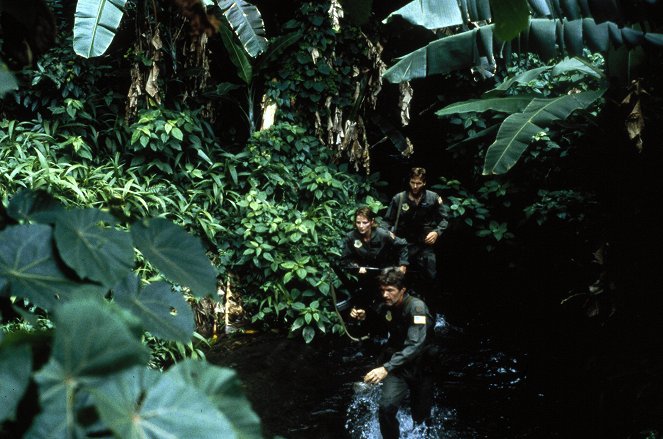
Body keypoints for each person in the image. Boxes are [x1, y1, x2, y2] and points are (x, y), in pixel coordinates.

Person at [350, 268, 434, 439]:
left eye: (390, 290)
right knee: (386, 408)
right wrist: (363, 317)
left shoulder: (416, 307)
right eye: (382, 290)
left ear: (402, 290)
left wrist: (385, 368)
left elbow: (415, 345)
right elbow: (377, 328)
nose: (385, 294)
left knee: (420, 416)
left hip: (421, 366)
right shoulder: (386, 306)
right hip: (398, 365)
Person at [382, 167, 448, 305]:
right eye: (412, 182)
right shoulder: (399, 199)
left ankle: (430, 307)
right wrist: (389, 234)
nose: (415, 186)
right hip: (403, 245)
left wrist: (437, 232)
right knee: (399, 278)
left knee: (430, 275)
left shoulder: (433, 198)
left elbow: (444, 219)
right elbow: (386, 222)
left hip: (424, 245)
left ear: (424, 183)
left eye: (418, 183)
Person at [338, 207, 409, 322]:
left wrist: (403, 265)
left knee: (388, 299)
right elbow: (345, 260)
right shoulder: (351, 237)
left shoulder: (383, 234)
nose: (361, 226)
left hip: (385, 273)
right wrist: (356, 267)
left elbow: (402, 245)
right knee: (364, 302)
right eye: (358, 222)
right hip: (364, 276)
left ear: (372, 222)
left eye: (365, 222)